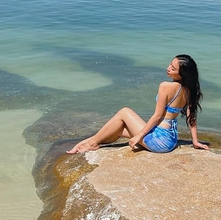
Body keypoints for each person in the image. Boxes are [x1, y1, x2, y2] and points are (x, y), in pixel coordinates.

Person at [66, 54, 209, 154]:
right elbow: (192, 118)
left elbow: (157, 116)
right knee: (118, 129)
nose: (168, 68)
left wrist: (138, 136)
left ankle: (91, 144)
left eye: (173, 68)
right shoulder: (189, 90)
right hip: (170, 140)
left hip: (159, 141)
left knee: (124, 111)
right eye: (170, 64)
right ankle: (88, 143)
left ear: (181, 74)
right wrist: (194, 142)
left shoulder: (166, 86)